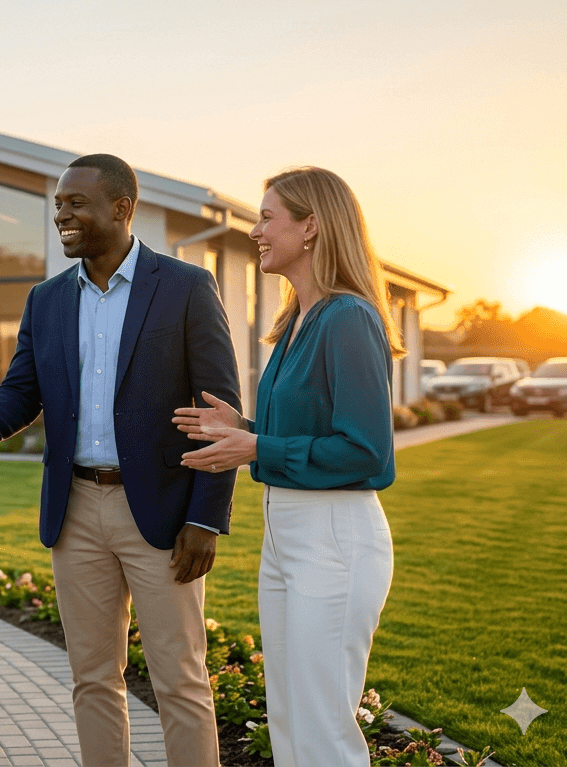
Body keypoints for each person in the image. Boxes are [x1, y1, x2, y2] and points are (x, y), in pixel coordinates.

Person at [0, 154, 241, 766]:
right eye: (58, 204)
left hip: (164, 511)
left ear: (122, 208)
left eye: (76, 203)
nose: (62, 214)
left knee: (180, 682)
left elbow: (222, 410)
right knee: (92, 679)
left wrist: (207, 517)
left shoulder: (187, 287)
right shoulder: (46, 299)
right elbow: (19, 395)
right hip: (76, 510)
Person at [174, 166, 401, 767]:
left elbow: (366, 452)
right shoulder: (297, 321)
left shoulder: (348, 318)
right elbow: (305, 435)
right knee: (291, 720)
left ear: (312, 227)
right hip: (287, 540)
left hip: (335, 539)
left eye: (268, 216)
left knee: (324, 729)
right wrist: (244, 431)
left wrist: (257, 449)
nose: (256, 230)